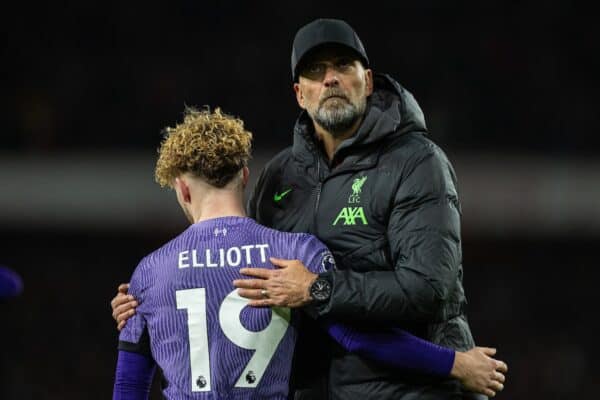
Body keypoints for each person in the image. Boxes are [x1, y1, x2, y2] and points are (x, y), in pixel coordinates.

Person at [113, 19, 508, 399]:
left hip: (408, 391)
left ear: (367, 81)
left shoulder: (417, 162)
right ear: (299, 95)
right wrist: (454, 363)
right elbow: (344, 328)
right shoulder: (283, 189)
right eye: (316, 71)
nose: (330, 79)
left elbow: (429, 288)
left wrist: (316, 289)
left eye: (342, 66)